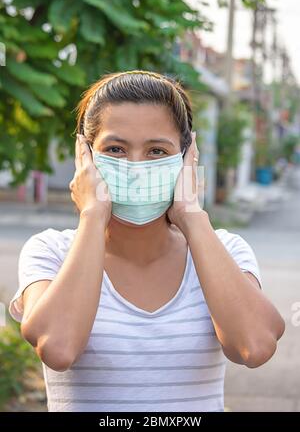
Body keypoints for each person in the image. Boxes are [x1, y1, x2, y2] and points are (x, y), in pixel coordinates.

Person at [9, 70, 285, 412]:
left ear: (186, 157)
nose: (135, 166)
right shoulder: (51, 251)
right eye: (115, 149)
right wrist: (93, 215)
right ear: (85, 156)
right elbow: (58, 348)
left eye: (156, 151)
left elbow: (255, 346)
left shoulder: (224, 251)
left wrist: (191, 215)